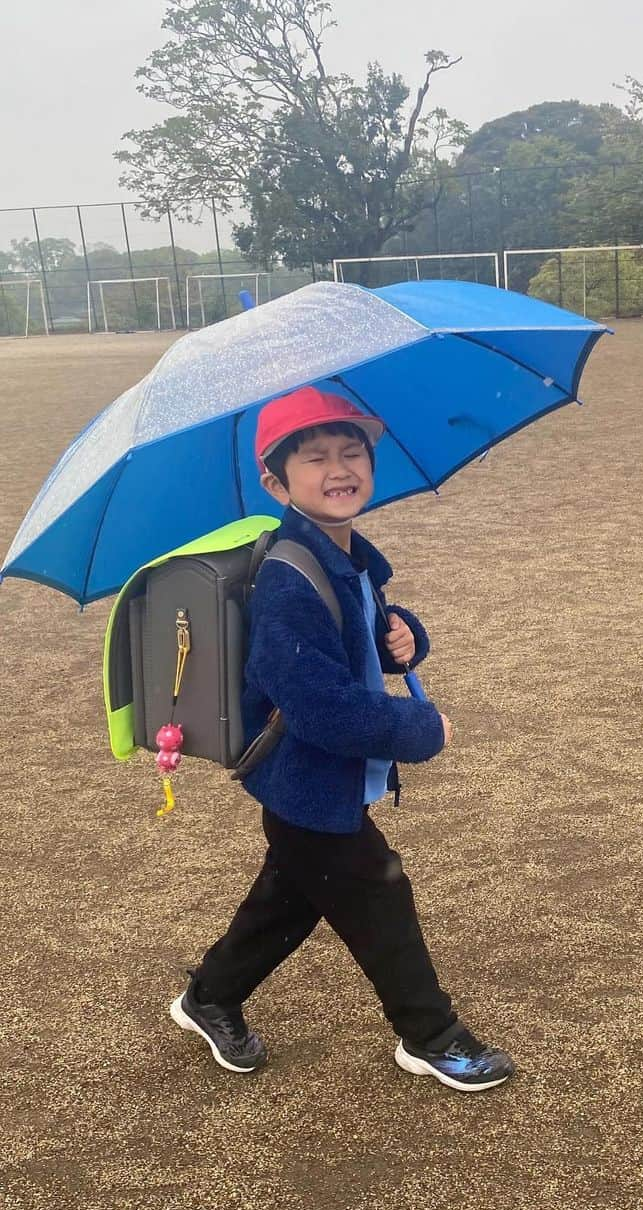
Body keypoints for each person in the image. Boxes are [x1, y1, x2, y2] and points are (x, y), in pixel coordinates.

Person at [169, 385, 515, 1092]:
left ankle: (209, 996)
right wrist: (418, 726)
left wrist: (401, 637)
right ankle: (431, 1033)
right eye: (316, 456)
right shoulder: (288, 581)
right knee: (378, 894)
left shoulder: (345, 555)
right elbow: (319, 707)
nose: (340, 467)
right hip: (305, 780)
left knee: (290, 899)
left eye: (352, 451)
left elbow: (350, 644)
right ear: (276, 482)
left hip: (320, 783)